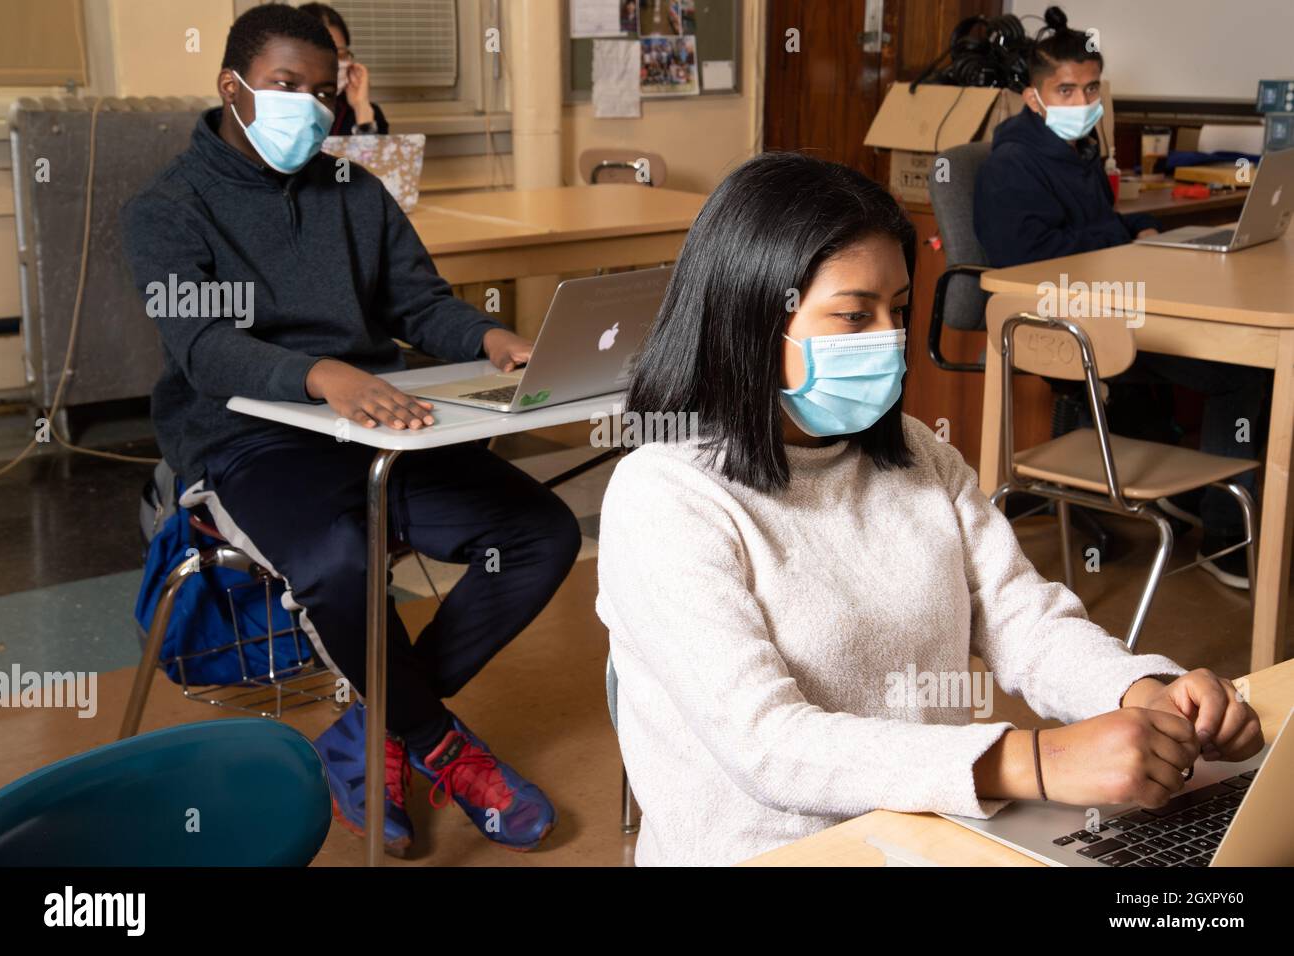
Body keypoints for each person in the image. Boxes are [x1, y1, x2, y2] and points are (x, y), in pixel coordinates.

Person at [595, 151, 1263, 866]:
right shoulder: (662, 496)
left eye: (900, 311)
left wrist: (1140, 690)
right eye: (854, 315)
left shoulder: (915, 450)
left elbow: (1019, 618)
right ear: (753, 315)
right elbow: (768, 744)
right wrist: (1034, 761)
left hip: (931, 835)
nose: (887, 340)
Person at [121, 4, 577, 855]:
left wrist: (488, 336)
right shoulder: (167, 207)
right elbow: (201, 346)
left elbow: (419, 303)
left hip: (374, 426)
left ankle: (375, 729)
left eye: (325, 92)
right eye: (287, 87)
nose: (312, 107)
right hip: (244, 441)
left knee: (536, 533)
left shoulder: (354, 191)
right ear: (232, 87)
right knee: (340, 558)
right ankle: (439, 744)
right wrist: (318, 374)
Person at [974, 5, 1269, 589]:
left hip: (1109, 304)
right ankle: (1223, 533)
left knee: (1222, 361)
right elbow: (1029, 261)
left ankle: (1191, 497)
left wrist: (1140, 233)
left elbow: (1096, 232)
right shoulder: (1014, 163)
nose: (1081, 100)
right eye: (1065, 89)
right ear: (1034, 97)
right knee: (1241, 371)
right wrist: (1121, 237)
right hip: (1064, 329)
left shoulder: (1076, 152)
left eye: (1089, 87)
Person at [299, 2, 388, 135]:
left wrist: (361, 107)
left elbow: (374, 154)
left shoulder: (364, 112)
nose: (332, 63)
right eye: (322, 55)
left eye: (340, 54)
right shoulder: (278, 111)